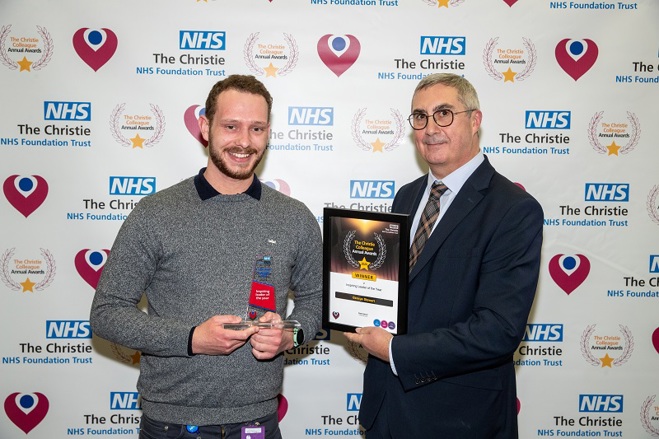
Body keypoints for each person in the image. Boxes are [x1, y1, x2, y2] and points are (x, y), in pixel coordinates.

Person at [90, 74, 322, 439]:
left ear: (268, 132)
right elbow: (106, 314)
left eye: (256, 128)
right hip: (172, 425)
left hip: (258, 422)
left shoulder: (295, 218)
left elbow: (316, 300)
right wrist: (192, 338)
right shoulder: (155, 213)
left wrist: (290, 334)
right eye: (231, 126)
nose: (244, 142)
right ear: (204, 127)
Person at [345, 73, 544, 438]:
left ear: (475, 120)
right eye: (420, 117)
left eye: (444, 114)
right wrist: (350, 306)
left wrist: (395, 350)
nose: (430, 128)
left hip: (457, 420)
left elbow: (498, 330)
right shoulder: (405, 197)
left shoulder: (513, 210)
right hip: (385, 411)